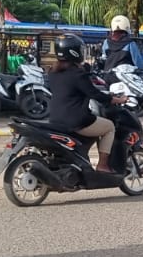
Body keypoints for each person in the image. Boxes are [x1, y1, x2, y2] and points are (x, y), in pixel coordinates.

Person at [47, 34, 121, 173]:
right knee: (109, 127)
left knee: (95, 126)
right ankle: (103, 165)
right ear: (75, 52)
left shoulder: (53, 72)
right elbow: (94, 94)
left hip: (55, 119)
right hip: (75, 121)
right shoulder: (78, 74)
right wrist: (115, 99)